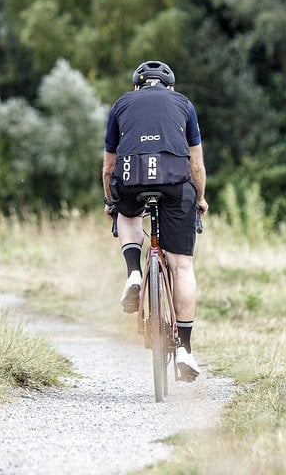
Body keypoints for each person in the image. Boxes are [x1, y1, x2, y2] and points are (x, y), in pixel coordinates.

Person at [102, 60, 208, 381]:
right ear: (170, 88)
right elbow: (197, 166)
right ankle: (185, 351)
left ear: (136, 86)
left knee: (128, 211)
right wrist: (200, 199)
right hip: (175, 183)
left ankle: (134, 272)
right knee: (182, 267)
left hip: (131, 178)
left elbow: (108, 169)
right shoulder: (184, 104)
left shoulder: (121, 104)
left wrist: (112, 202)